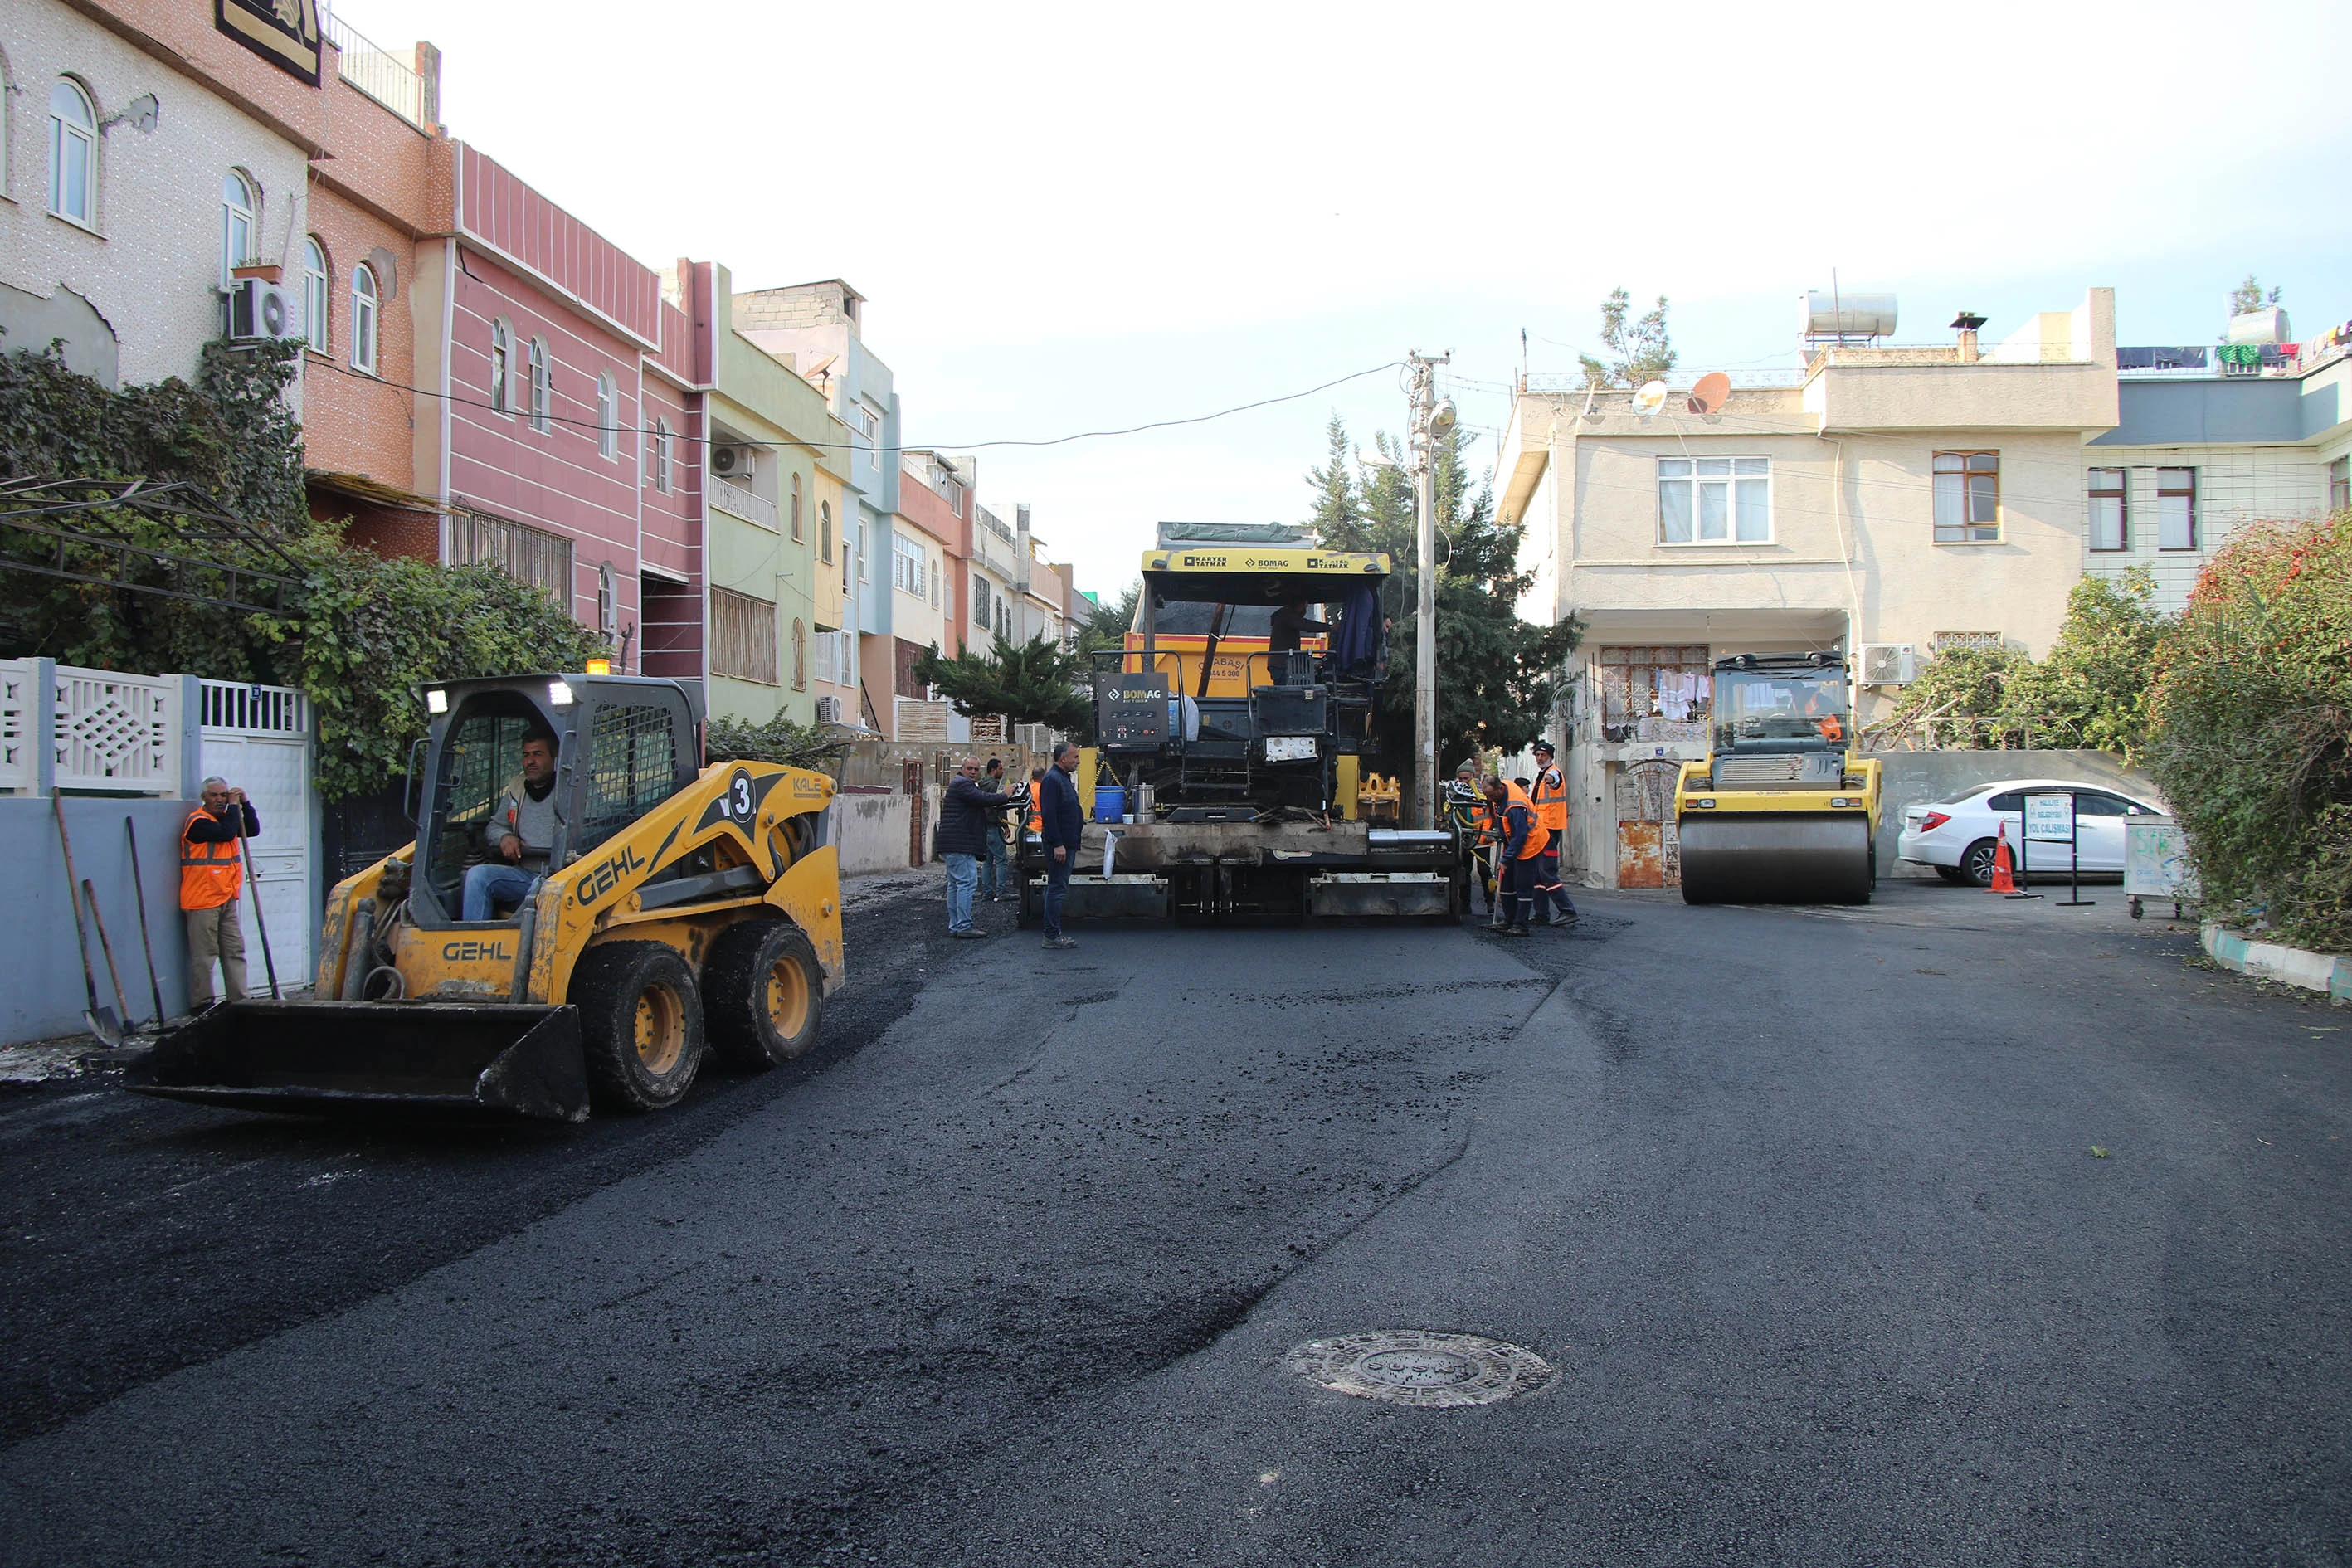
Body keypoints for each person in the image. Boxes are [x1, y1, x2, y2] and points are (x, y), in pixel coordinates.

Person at [462, 728, 562, 922]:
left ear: (554, 756)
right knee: (477, 875)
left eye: (538, 754)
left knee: (541, 889)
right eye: (526, 755)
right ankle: (474, 943)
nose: (530, 761)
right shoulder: (517, 788)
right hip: (525, 874)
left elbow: (596, 833)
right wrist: (505, 837)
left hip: (563, 878)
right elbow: (495, 826)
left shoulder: (575, 788)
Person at [180, 776, 259, 1011]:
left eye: (224, 795)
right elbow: (225, 833)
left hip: (226, 897)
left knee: (234, 950)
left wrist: (245, 804)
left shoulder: (228, 818)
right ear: (204, 797)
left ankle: (239, 1000)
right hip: (202, 899)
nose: (220, 800)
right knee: (205, 955)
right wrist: (234, 807)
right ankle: (202, 1004)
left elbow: (252, 830)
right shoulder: (198, 823)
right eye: (214, 795)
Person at [938, 756, 1014, 938]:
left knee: (956, 885)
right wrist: (1005, 795)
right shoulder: (963, 785)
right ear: (962, 769)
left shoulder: (960, 784)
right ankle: (963, 926)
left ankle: (956, 926)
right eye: (969, 768)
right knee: (966, 883)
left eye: (975, 769)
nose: (973, 772)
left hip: (952, 843)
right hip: (960, 844)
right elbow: (983, 798)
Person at [1483, 777, 1546, 937]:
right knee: (1507, 884)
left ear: (1500, 789)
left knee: (1523, 885)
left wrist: (1506, 858)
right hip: (1514, 841)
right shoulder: (1502, 791)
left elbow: (1520, 836)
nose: (1489, 800)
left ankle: (1521, 924)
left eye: (1491, 796)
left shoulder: (1516, 806)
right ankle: (1509, 919)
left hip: (1531, 843)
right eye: (1486, 796)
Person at [1038, 740, 1083, 950]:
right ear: (1063, 758)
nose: (1078, 761)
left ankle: (1052, 933)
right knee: (1057, 888)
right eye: (1075, 757)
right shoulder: (1052, 780)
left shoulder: (1061, 778)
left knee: (1056, 887)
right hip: (1060, 845)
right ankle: (1052, 936)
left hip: (1066, 843)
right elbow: (1049, 814)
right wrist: (1058, 844)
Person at [1529, 740, 1578, 928]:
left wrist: (1549, 779)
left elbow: (1555, 780)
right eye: (1538, 755)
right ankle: (1541, 914)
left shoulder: (1552, 773)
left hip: (1549, 830)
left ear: (1550, 756)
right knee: (1538, 875)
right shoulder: (1541, 775)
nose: (1540, 758)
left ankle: (1567, 910)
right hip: (1541, 830)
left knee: (1547, 872)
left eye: (1543, 755)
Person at [977, 757, 1012, 900]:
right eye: (1000, 768)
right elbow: (998, 807)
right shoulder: (993, 787)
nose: (1002, 772)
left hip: (983, 828)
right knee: (1002, 861)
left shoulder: (981, 785)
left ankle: (987, 892)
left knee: (987, 862)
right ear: (993, 770)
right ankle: (1001, 891)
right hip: (993, 827)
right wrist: (1005, 825)